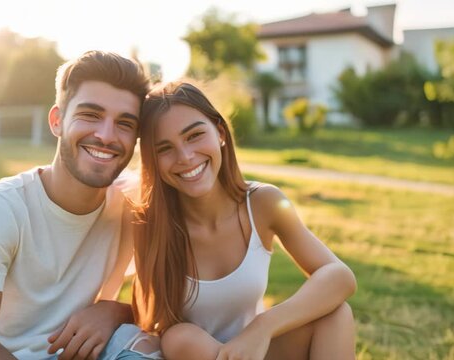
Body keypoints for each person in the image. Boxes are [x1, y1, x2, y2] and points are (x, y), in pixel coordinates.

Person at [0, 50, 153, 360]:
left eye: (124, 123)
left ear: (136, 140)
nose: (106, 135)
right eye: (90, 115)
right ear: (57, 121)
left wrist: (116, 312)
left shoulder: (133, 207)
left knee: (147, 347)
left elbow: (180, 305)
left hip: (87, 352)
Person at [131, 81, 357, 360]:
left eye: (194, 135)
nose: (185, 157)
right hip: (196, 355)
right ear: (152, 160)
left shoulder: (263, 203)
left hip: (257, 349)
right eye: (165, 148)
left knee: (335, 313)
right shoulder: (149, 224)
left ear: (221, 133)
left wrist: (264, 326)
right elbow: (151, 321)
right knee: (180, 337)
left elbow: (340, 276)